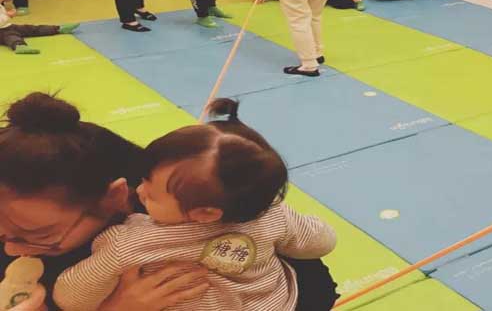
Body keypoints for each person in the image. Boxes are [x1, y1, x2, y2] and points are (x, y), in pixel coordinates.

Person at [52, 99, 336, 311]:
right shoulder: (274, 217)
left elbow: (71, 297)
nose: (139, 191)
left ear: (205, 213)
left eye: (152, 193)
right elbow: (322, 241)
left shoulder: (129, 242)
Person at [0, 7, 78, 55]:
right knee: (11, 36)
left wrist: (8, 14)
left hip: (9, 26)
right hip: (1, 31)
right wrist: (8, 15)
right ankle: (19, 46)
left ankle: (58, 29)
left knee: (30, 28)